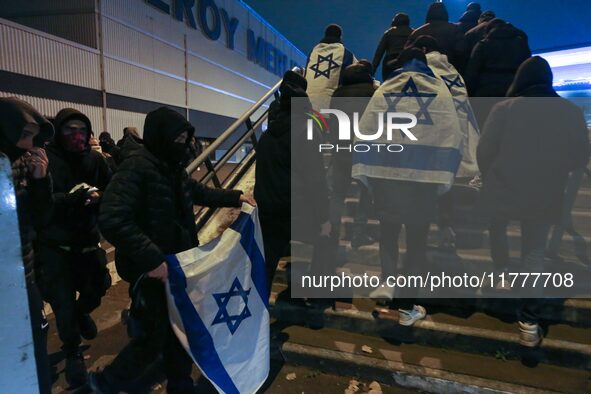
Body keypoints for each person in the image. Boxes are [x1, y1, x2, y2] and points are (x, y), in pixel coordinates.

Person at [90, 107, 254, 394]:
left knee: (179, 328)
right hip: (152, 269)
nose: (184, 144)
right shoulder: (137, 167)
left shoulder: (171, 167)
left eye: (185, 137)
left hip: (177, 266)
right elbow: (113, 217)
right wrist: (152, 259)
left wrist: (237, 197)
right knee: (153, 336)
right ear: (161, 136)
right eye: (178, 137)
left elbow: (200, 193)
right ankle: (105, 383)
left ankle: (180, 384)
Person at [477, 57, 589, 347]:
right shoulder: (570, 111)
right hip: (546, 189)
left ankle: (501, 273)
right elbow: (579, 157)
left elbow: (485, 149)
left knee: (497, 225)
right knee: (534, 251)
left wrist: (490, 174)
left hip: (504, 183)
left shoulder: (504, 108)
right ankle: (529, 321)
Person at [356, 48, 463, 326]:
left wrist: (368, 171)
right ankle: (406, 308)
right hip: (422, 180)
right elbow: (452, 132)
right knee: (416, 243)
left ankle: (388, 279)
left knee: (388, 232)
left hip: (387, 177)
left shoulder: (384, 91)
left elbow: (366, 129)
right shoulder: (439, 90)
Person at [34, 108, 112, 388]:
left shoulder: (95, 160)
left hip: (88, 243)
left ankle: (83, 313)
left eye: (81, 129)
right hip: (56, 247)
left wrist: (98, 196)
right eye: (69, 130)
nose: (76, 136)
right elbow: (42, 203)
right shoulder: (48, 160)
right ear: (59, 132)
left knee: (98, 287)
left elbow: (113, 187)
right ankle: (72, 352)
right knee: (62, 304)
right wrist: (72, 199)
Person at [255, 70, 331, 292]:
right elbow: (315, 178)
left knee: (268, 263)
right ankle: (310, 293)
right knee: (324, 242)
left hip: (269, 210)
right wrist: (323, 217)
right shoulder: (306, 131)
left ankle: (259, 312)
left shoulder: (266, 137)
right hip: (295, 211)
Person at [0, 97, 54, 394]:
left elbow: (42, 218)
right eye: (24, 134)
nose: (29, 144)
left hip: (25, 275)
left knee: (34, 346)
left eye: (34, 136)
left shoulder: (30, 163)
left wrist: (40, 181)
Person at [410, 35, 481, 250]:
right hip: (458, 132)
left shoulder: (425, 72)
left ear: (423, 49)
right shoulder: (452, 71)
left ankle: (432, 231)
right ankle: (446, 227)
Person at [327, 61, 377, 260]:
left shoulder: (338, 94)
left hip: (341, 148)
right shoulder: (373, 92)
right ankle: (358, 234)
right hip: (365, 148)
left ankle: (332, 234)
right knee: (366, 192)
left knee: (337, 194)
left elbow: (332, 120)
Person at [465, 19, 531, 98]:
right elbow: (528, 67)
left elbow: (472, 72)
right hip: (514, 89)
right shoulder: (520, 43)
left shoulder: (482, 45)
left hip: (487, 90)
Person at [305, 24, 357, 110]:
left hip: (306, 103)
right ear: (340, 37)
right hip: (329, 106)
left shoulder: (313, 52)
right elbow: (361, 71)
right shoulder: (346, 54)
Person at [407, 2, 467, 74]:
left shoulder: (417, 32)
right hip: (449, 71)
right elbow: (462, 51)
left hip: (424, 73)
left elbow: (408, 54)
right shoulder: (455, 29)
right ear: (445, 13)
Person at [371, 13, 414, 81]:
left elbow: (379, 53)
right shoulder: (413, 33)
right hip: (407, 62)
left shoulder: (388, 33)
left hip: (390, 63)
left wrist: (372, 71)